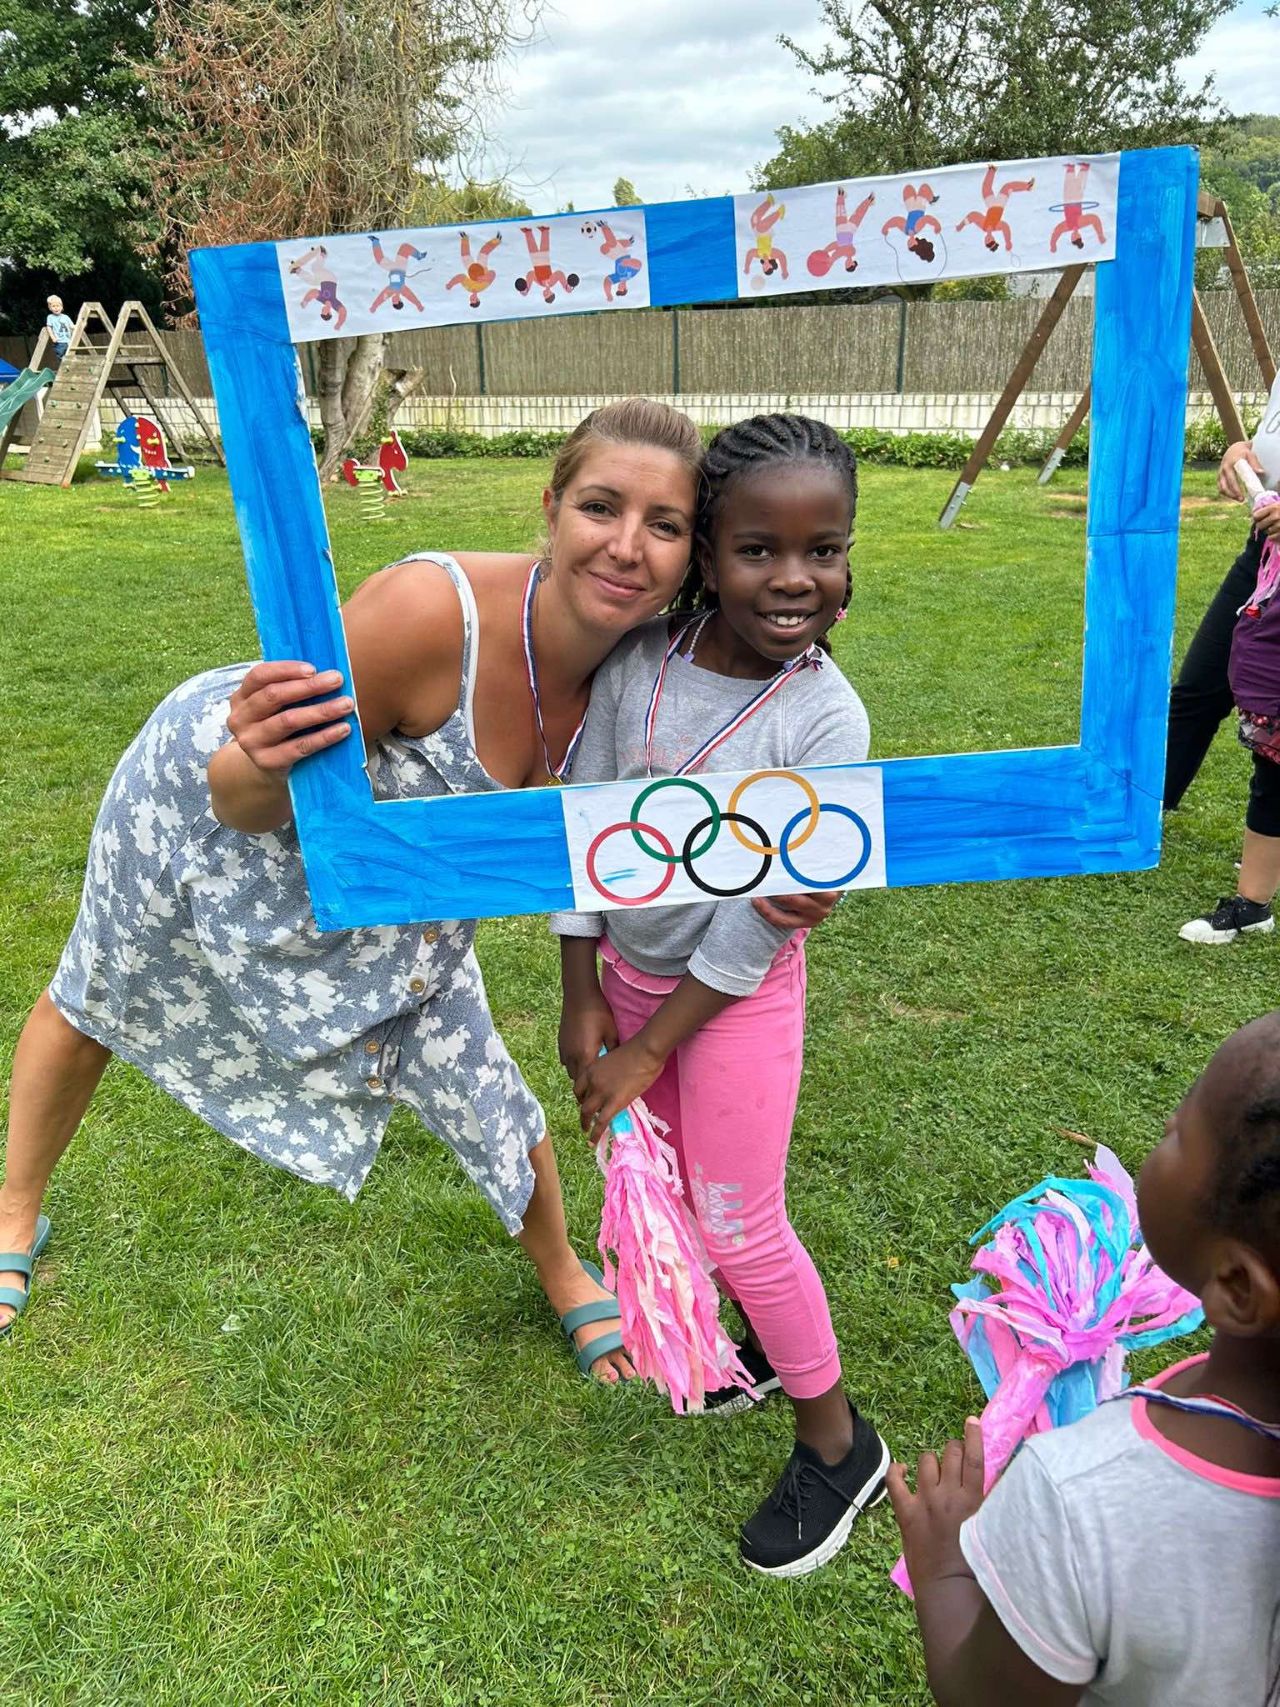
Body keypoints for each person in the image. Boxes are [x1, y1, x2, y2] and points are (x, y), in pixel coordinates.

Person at [0, 398, 833, 1369]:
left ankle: (563, 1270)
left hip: (402, 892)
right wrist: (260, 759)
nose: (624, 547)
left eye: (665, 525)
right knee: (99, 989)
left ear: (693, 555)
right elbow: (240, 796)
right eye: (600, 507)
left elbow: (673, 816)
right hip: (214, 805)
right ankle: (13, 1211)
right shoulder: (428, 614)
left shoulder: (653, 669)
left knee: (474, 1070)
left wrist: (789, 864)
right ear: (551, 506)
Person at [553, 413, 889, 1577]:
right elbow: (584, 828)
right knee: (685, 1198)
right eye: (757, 550)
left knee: (743, 1220)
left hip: (733, 1003)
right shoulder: (638, 662)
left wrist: (647, 1051)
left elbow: (758, 922)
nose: (793, 578)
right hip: (627, 984)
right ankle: (738, 1353)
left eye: (822, 550)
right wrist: (583, 991)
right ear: (706, 555)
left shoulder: (823, 718)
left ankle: (838, 1444)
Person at [888, 1012, 1280, 1705]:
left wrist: (943, 1570)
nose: (1167, 1122)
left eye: (1180, 1131)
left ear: (1238, 1288)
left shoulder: (1078, 1499)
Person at [1170, 369, 1280, 943]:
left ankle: (1254, 903)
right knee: (1199, 687)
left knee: (1275, 734)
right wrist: (1243, 452)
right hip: (1265, 552)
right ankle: (1142, 813)